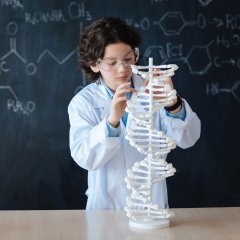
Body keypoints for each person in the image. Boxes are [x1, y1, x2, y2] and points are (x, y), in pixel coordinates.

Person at [68, 17, 201, 210]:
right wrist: (112, 121)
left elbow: (188, 139)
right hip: (106, 208)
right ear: (94, 64)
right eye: (112, 62)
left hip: (151, 207)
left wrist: (172, 103)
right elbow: (85, 158)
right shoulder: (84, 103)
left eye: (128, 59)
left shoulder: (153, 88)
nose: (122, 69)